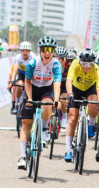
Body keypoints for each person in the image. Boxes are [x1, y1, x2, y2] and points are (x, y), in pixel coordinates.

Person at [17, 36, 62, 169]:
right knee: (26, 124)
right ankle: (22, 156)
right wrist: (30, 98)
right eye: (44, 50)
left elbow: (57, 83)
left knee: (48, 105)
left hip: (46, 91)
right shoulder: (33, 63)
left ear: (53, 52)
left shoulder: (56, 64)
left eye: (50, 50)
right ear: (40, 51)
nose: (47, 53)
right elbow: (27, 81)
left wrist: (57, 100)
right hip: (32, 89)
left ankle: (45, 130)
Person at [64, 48, 99, 162]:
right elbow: (69, 80)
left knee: (93, 104)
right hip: (76, 90)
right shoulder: (75, 65)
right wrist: (70, 94)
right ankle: (68, 150)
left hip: (90, 89)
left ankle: (91, 125)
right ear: (80, 61)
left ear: (94, 63)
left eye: (89, 64)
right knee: (72, 119)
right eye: (84, 64)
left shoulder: (97, 70)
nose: (86, 67)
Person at [9, 41, 34, 114]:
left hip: (29, 75)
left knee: (30, 87)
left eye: (27, 51)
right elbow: (15, 70)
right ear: (20, 51)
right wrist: (12, 81)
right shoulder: (18, 57)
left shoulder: (32, 57)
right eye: (23, 51)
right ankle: (16, 105)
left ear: (29, 51)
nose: (25, 53)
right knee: (19, 85)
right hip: (21, 75)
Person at [54, 46, 69, 128]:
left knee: (63, 99)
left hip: (64, 88)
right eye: (58, 58)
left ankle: (64, 116)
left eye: (62, 58)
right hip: (54, 87)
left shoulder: (69, 68)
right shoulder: (52, 65)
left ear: (65, 59)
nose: (60, 60)